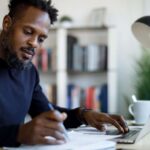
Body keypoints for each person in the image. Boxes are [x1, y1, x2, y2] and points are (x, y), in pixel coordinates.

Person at [0, 0, 129, 147]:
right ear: (7, 24)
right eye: (28, 32)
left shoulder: (29, 71)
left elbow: (47, 113)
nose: (34, 43)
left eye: (41, 39)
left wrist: (83, 115)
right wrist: (18, 134)